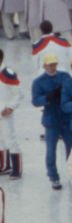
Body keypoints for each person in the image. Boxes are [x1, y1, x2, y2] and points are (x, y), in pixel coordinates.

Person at [33, 54, 72, 188]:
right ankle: (53, 176)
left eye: (54, 64)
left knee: (71, 149)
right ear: (44, 66)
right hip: (51, 119)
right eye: (50, 65)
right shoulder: (38, 82)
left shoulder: (65, 76)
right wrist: (48, 98)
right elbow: (35, 101)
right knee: (51, 150)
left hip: (66, 118)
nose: (52, 67)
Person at [0, 48, 24, 178]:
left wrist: (10, 107)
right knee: (0, 140)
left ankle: (17, 169)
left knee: (10, 139)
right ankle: (4, 166)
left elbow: (19, 94)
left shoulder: (7, 74)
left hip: (5, 112)